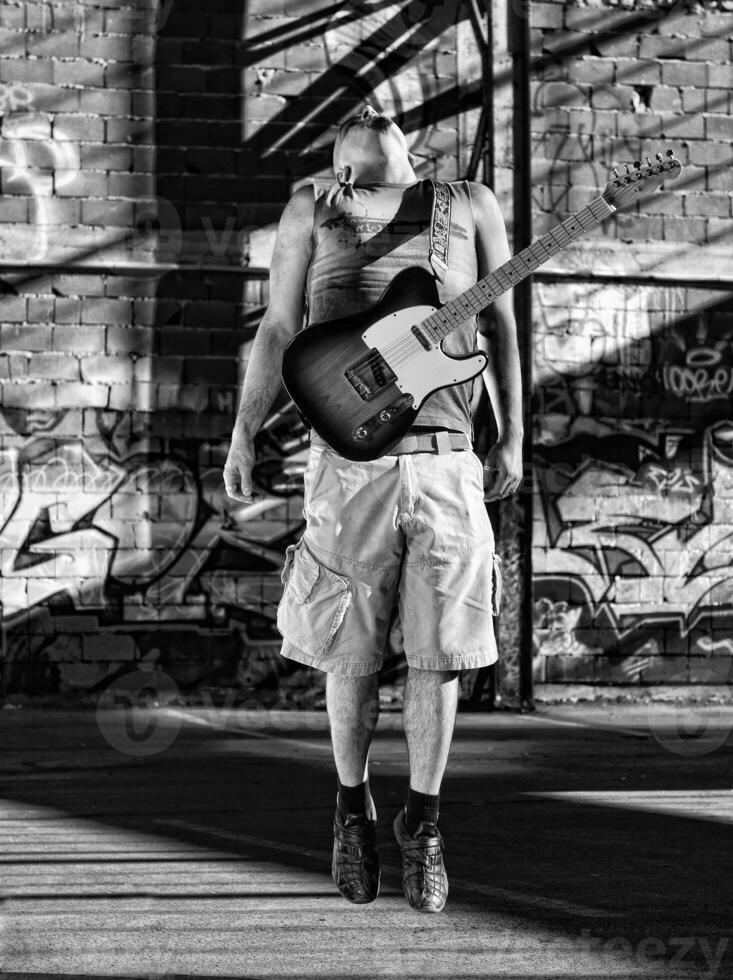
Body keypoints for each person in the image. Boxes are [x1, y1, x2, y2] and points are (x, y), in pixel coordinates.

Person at [224, 105, 523, 913]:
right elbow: (280, 327)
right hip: (345, 468)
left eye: (380, 111)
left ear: (410, 148)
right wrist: (243, 433)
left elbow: (499, 317)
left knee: (442, 652)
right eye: (353, 119)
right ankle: (351, 809)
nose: (369, 108)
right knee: (349, 655)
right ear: (343, 164)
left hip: (447, 462)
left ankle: (421, 824)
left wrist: (514, 436)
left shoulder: (466, 202)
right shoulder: (310, 207)